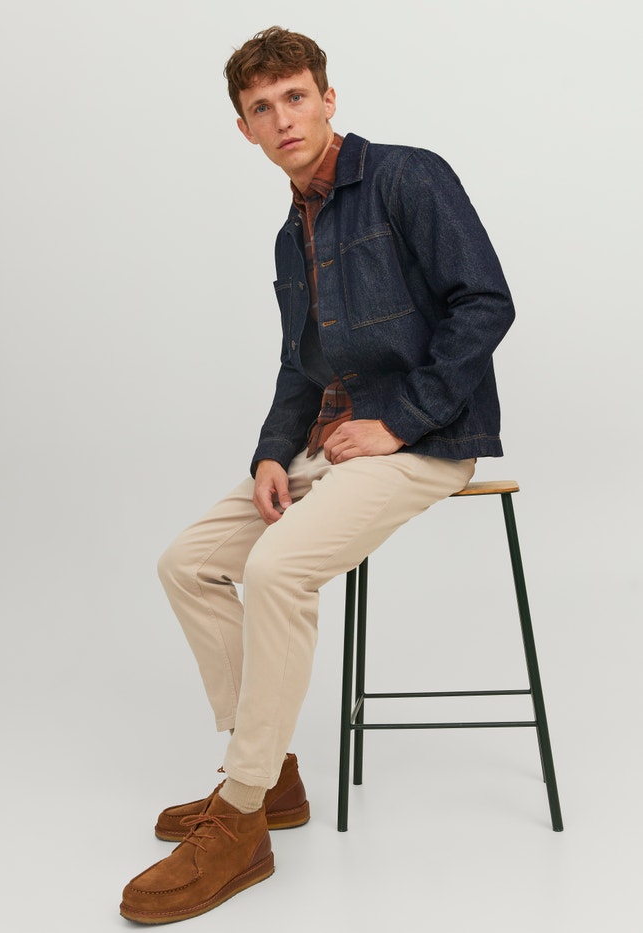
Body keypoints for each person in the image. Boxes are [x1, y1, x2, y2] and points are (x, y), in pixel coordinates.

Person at [120, 25, 515, 924]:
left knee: (277, 569)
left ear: (328, 99)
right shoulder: (288, 234)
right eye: (262, 108)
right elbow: (301, 367)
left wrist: (400, 419)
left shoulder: (408, 177)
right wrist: (271, 453)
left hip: (425, 440)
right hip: (325, 445)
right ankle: (274, 777)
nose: (283, 119)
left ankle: (242, 812)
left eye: (295, 97)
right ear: (244, 130)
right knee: (187, 563)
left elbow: (485, 303)